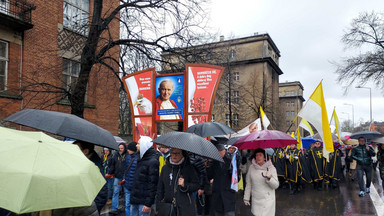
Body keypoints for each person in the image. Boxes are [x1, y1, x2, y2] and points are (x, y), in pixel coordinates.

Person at [52, 140, 107, 215]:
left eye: (75, 149)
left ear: (86, 151)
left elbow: (102, 194)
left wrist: (91, 210)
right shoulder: (81, 161)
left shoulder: (94, 167)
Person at [156, 148, 199, 216]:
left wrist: (185, 185)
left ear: (182, 155)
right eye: (172, 153)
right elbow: (160, 187)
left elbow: (196, 185)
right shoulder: (165, 168)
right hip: (168, 206)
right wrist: (158, 205)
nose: (174, 156)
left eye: (177, 153)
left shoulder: (188, 168)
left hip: (184, 207)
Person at [243, 148, 279, 216]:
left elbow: (276, 185)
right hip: (256, 200)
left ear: (265, 157)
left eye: (260, 155)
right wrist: (246, 198)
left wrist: (270, 178)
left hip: (267, 201)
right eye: (256, 155)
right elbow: (249, 184)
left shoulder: (271, 168)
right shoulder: (251, 168)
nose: (258, 157)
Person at [130, 136, 159, 216]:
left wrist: (148, 203)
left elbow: (153, 184)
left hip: (143, 203)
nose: (136, 145)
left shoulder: (152, 161)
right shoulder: (140, 158)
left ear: (144, 145)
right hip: (135, 200)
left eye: (138, 143)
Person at [208, 144, 240, 216]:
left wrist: (232, 170)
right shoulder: (214, 162)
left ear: (224, 151)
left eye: (221, 151)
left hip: (228, 195)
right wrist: (209, 164)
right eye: (218, 151)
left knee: (229, 213)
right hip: (217, 195)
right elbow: (209, 176)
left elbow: (237, 178)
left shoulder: (230, 161)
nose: (219, 153)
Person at [107, 143, 128, 215]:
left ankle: (124, 207)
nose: (120, 149)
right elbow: (112, 165)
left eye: (122, 148)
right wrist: (109, 173)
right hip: (117, 177)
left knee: (125, 192)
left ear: (124, 148)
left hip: (125, 178)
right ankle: (114, 208)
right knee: (115, 192)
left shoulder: (127, 155)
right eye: (119, 148)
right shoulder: (115, 155)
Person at [123, 142, 139, 216]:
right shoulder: (127, 157)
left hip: (134, 186)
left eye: (129, 149)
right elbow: (125, 169)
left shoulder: (138, 158)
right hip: (127, 184)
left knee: (133, 206)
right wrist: (124, 178)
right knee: (127, 205)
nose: (128, 150)